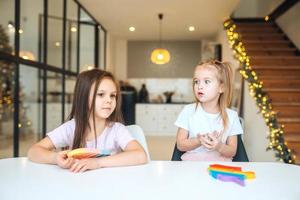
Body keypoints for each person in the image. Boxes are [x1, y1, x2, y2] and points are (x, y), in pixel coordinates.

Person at [28, 69, 147, 172]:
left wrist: (98, 163)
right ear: (84, 98)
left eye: (112, 95)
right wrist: (55, 158)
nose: (109, 100)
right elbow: (33, 151)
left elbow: (140, 155)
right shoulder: (70, 128)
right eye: (101, 94)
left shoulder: (117, 130)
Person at [175, 60, 243, 161]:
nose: (200, 86)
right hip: (191, 167)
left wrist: (218, 146)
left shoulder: (232, 116)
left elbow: (232, 151)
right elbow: (180, 145)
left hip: (220, 168)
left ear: (221, 88)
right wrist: (199, 141)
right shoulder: (188, 111)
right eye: (196, 81)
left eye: (206, 81)